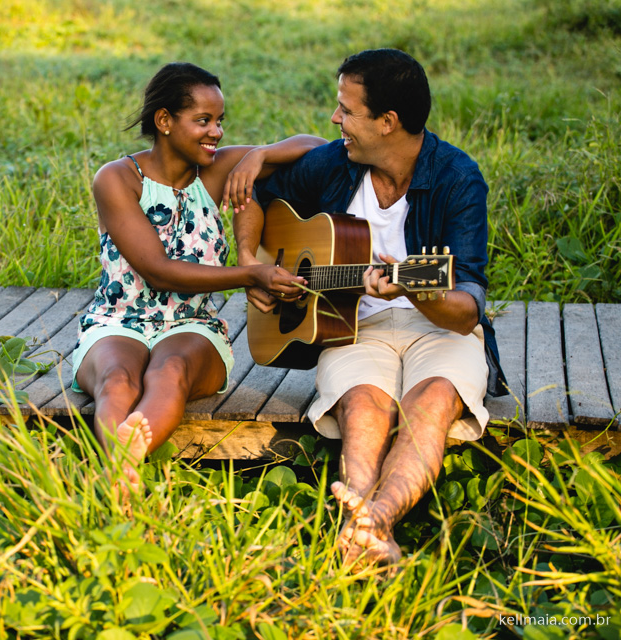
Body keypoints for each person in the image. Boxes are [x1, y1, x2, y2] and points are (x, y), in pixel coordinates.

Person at [234, 49, 506, 565]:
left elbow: (467, 308)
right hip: (352, 325)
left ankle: (371, 522)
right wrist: (252, 263)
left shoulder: (457, 178)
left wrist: (414, 290)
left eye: (346, 110)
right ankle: (367, 529)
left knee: (431, 404)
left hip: (439, 327)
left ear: (388, 122)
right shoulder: (337, 163)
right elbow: (258, 197)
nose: (335, 119)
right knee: (364, 407)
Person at [71, 62, 325, 493]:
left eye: (220, 121)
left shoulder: (218, 169)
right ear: (165, 121)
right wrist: (250, 273)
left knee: (170, 370)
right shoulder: (116, 179)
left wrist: (259, 154)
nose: (217, 133)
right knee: (117, 381)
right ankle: (123, 475)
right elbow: (158, 270)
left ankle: (115, 478)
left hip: (192, 327)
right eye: (203, 121)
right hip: (117, 320)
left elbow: (317, 147)